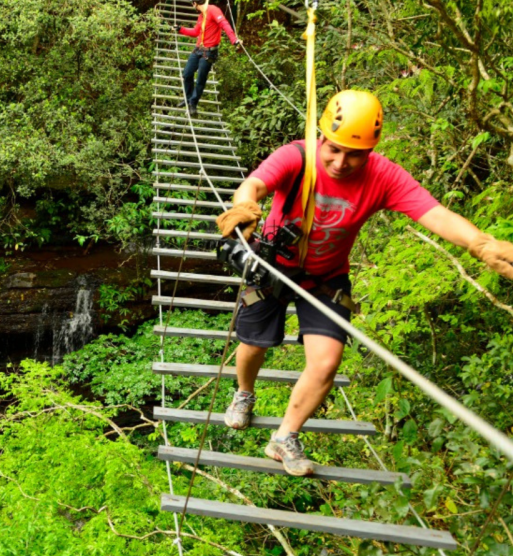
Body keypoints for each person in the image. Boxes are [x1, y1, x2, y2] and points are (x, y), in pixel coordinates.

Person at [214, 89, 513, 476]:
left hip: (326, 276)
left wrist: (480, 243)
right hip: (271, 265)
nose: (341, 162)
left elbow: (434, 213)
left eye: (355, 154)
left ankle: (285, 436)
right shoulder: (297, 156)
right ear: (321, 137)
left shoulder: (384, 177)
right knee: (253, 342)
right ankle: (244, 392)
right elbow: (256, 184)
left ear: (371, 151)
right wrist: (245, 209)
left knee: (327, 362)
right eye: (334, 150)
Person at [178, 0, 241, 115]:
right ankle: (189, 98)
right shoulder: (202, 16)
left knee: (201, 79)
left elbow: (224, 24)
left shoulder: (213, 10)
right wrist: (180, 29)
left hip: (209, 52)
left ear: (194, 3)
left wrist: (234, 39)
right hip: (198, 50)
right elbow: (196, 32)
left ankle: (193, 103)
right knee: (187, 74)